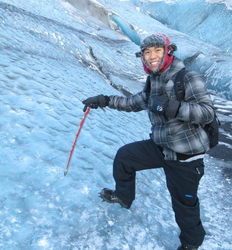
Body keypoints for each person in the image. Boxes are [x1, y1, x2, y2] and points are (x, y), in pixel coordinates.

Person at [82, 33, 214, 250]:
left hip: (185, 157)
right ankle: (124, 197)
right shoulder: (154, 81)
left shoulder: (188, 78)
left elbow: (207, 113)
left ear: (168, 52)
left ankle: (191, 244)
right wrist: (104, 100)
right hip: (161, 147)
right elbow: (133, 102)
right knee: (125, 157)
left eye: (157, 50)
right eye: (147, 52)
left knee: (184, 204)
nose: (152, 56)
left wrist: (174, 107)